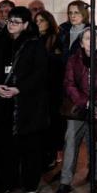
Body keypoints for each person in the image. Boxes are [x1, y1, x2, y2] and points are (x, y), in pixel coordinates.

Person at [0, 7, 48, 193]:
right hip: (2, 103)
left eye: (16, 22)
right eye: (10, 20)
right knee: (4, 145)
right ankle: (6, 181)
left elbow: (40, 73)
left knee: (29, 145)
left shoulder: (34, 44)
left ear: (26, 24)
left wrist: (19, 88)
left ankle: (30, 182)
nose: (11, 24)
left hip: (27, 104)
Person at [55, 28, 97, 193]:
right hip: (78, 109)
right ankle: (65, 182)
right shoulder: (73, 59)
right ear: (81, 43)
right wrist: (86, 102)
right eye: (87, 38)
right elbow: (69, 84)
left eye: (94, 38)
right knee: (71, 143)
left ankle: (95, 178)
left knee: (96, 144)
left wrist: (96, 104)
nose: (91, 41)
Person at [35, 10, 63, 171]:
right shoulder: (34, 39)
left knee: (52, 123)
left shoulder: (55, 39)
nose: (39, 23)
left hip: (51, 88)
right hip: (38, 89)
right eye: (36, 21)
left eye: (42, 20)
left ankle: (51, 155)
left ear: (49, 22)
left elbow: (58, 63)